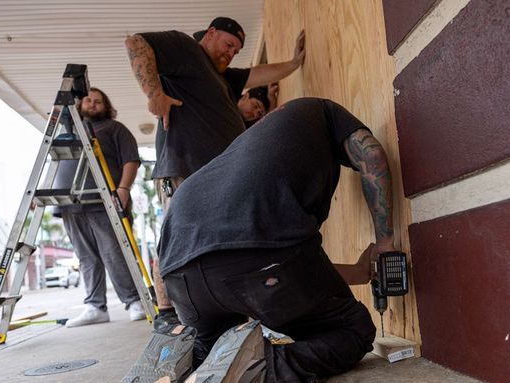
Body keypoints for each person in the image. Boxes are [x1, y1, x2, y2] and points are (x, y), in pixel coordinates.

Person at [158, 98, 396, 382]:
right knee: (351, 330)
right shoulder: (322, 110)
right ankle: (259, 369)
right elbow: (370, 155)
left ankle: (178, 363)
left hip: (178, 268)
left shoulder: (251, 149)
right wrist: (384, 241)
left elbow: (283, 265)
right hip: (254, 261)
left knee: (213, 349)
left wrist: (357, 272)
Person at [124, 17, 305, 330]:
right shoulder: (186, 50)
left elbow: (259, 73)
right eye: (228, 44)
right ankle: (166, 315)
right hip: (184, 169)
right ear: (210, 34)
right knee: (175, 238)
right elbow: (136, 43)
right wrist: (154, 93)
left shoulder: (224, 79)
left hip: (217, 177)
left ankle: (220, 313)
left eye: (236, 50)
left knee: (218, 246)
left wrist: (295, 63)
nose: (231, 53)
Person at [54, 87, 146, 327]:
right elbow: (53, 162)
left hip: (103, 201)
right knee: (86, 257)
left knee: (114, 252)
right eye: (88, 100)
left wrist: (123, 189)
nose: (93, 104)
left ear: (106, 107)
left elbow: (130, 160)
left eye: (98, 102)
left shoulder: (115, 129)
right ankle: (95, 307)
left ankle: (134, 301)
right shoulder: (67, 132)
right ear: (79, 105)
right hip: (69, 204)